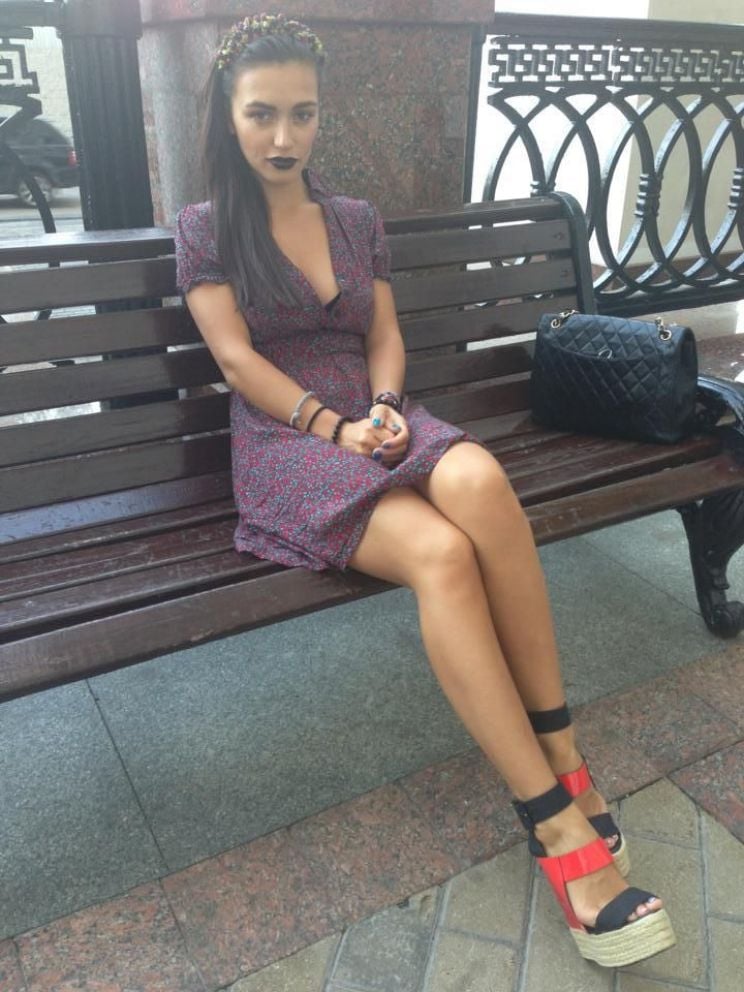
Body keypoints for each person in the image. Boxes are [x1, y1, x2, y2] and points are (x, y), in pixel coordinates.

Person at [175, 13, 676, 969]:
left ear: (322, 115)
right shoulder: (205, 229)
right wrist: (334, 428)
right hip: (284, 439)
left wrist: (386, 404)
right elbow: (237, 361)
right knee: (442, 555)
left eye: (301, 114)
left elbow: (382, 334)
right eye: (261, 113)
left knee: (481, 480)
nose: (282, 136)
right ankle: (553, 821)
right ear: (227, 116)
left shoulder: (355, 219)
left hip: (374, 412)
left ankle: (563, 752)